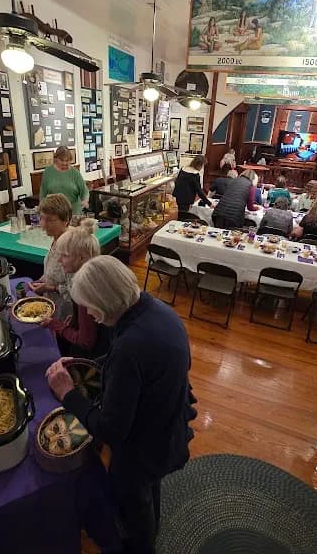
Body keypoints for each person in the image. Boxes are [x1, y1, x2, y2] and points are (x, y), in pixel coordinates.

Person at [45, 256, 195, 553]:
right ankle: (151, 529)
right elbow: (132, 365)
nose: (88, 312)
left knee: (133, 503)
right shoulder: (157, 310)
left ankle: (141, 545)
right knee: (149, 489)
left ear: (103, 303)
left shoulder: (130, 345)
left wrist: (67, 393)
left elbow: (111, 429)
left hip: (142, 448)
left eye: (89, 305)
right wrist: (81, 364)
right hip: (168, 425)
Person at [42, 220, 110, 359]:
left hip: (97, 356)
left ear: (81, 257)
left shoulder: (84, 288)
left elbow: (86, 342)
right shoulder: (97, 272)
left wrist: (56, 325)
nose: (59, 260)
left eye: (65, 255)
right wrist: (75, 319)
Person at [29, 194, 73, 320]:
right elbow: (53, 271)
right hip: (53, 307)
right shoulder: (56, 238)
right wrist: (41, 280)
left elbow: (75, 290)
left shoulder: (71, 246)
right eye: (42, 218)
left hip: (67, 314)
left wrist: (50, 288)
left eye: (50, 220)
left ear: (66, 220)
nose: (43, 224)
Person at [39, 146, 89, 215]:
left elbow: (84, 190)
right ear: (56, 159)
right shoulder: (48, 172)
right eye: (62, 160)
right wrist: (42, 209)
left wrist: (85, 200)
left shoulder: (75, 172)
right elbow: (43, 193)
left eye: (67, 160)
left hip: (73, 212)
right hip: (54, 213)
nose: (65, 163)